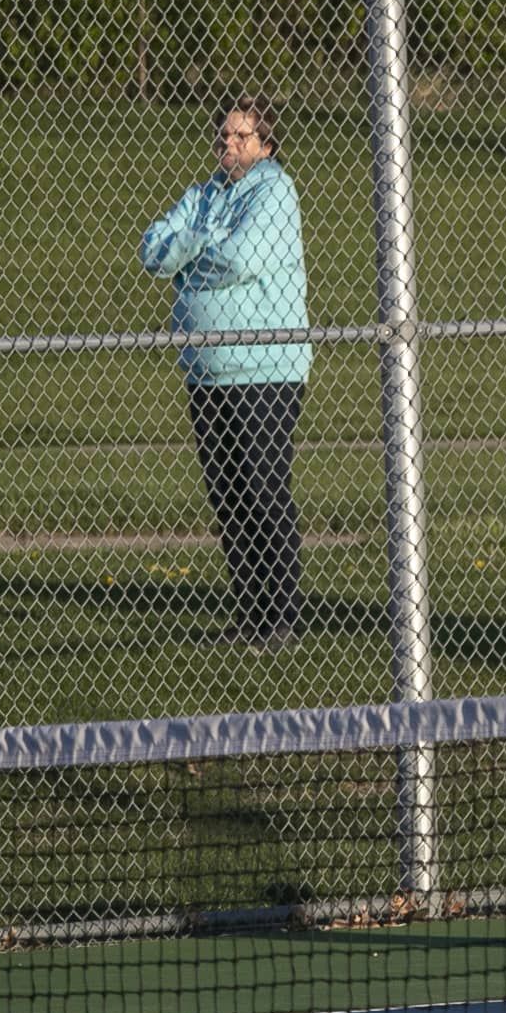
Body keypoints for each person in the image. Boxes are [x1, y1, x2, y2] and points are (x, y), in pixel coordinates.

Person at [140, 95, 311, 652]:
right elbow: (152, 249)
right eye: (224, 136)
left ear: (265, 144)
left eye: (241, 136)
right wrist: (194, 244)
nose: (228, 145)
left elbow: (243, 258)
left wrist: (188, 256)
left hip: (265, 367)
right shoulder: (205, 194)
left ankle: (282, 616)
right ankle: (251, 613)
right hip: (207, 372)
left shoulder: (275, 191)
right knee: (228, 496)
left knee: (262, 489)